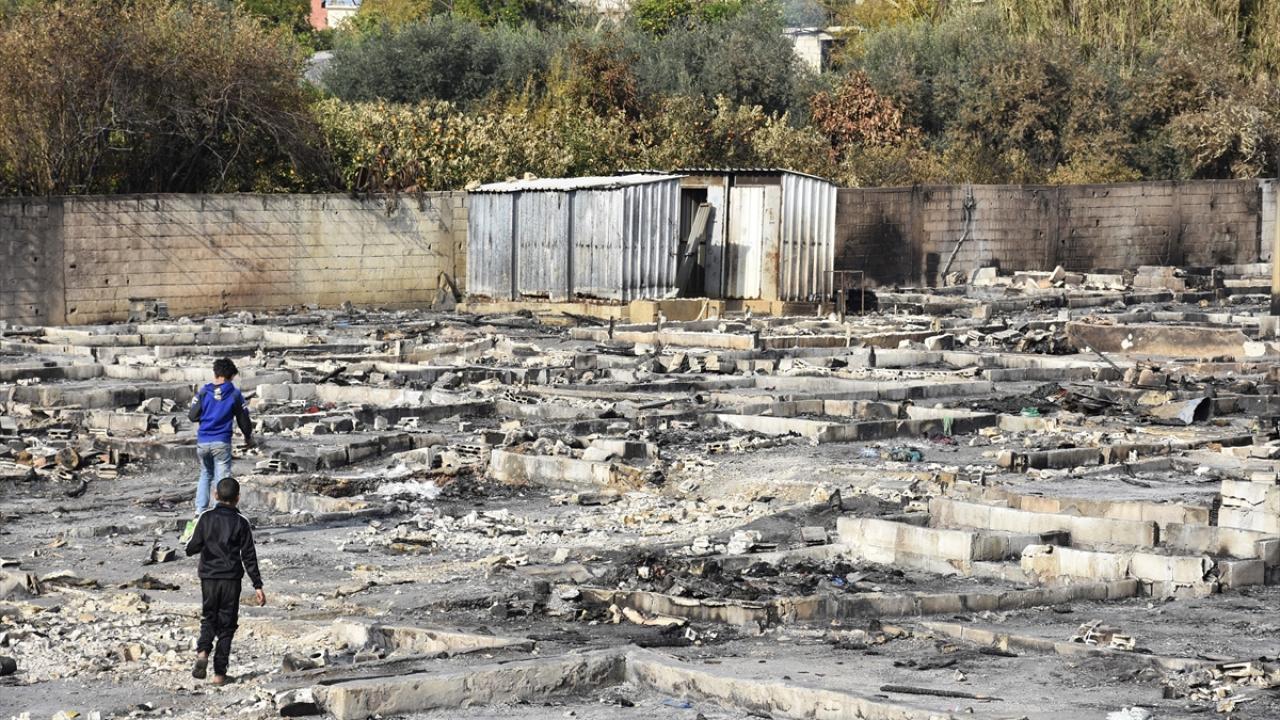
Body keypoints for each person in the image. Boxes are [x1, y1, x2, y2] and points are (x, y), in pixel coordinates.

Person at [184, 477, 265, 685]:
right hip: (231, 579)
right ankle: (219, 674)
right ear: (238, 498)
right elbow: (249, 556)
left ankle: (202, 651)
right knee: (227, 625)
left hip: (209, 577)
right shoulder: (242, 522)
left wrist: (194, 542)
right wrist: (257, 585)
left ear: (215, 496)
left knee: (209, 617)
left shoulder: (205, 517)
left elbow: (191, 547)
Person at [187, 358, 254, 518]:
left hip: (203, 442)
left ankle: (199, 512)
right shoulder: (234, 394)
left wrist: (208, 415)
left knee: (205, 474)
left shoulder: (203, 392)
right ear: (230, 376)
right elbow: (243, 419)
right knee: (222, 479)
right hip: (221, 441)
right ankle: (221, 514)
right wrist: (248, 437)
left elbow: (192, 415)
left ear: (215, 373)